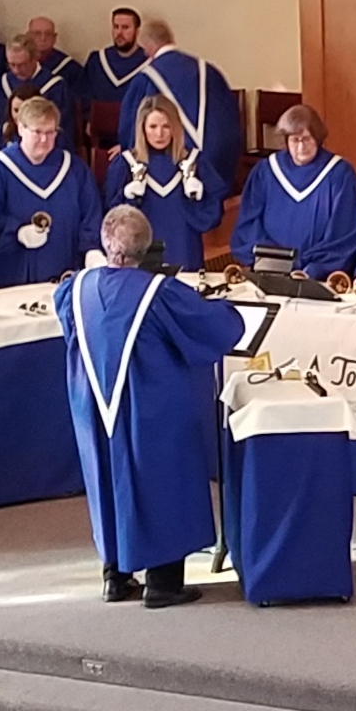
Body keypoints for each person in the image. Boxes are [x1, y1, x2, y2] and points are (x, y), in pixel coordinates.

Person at [54, 205, 244, 608]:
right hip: (150, 406)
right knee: (161, 479)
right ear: (147, 247)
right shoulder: (159, 293)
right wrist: (229, 307)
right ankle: (162, 583)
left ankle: (115, 576)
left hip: (93, 410)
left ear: (105, 243)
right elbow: (214, 328)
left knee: (109, 479)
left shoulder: (75, 289)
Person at [0, 96, 102, 287]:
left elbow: (91, 213)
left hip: (62, 269)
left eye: (50, 132)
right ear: (21, 128)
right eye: (37, 132)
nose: (44, 139)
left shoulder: (74, 169)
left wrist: (91, 249)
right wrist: (16, 233)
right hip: (10, 274)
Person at [230, 104, 356, 279]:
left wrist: (312, 269)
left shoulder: (340, 174)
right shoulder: (266, 171)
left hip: (320, 277)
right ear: (286, 141)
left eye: (307, 139)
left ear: (317, 138)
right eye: (295, 140)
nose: (301, 148)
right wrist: (273, 262)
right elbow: (248, 224)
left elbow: (345, 234)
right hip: (270, 273)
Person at [104, 94, 226, 271]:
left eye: (166, 126)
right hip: (140, 259)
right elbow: (111, 220)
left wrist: (198, 198)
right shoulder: (126, 164)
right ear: (142, 128)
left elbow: (211, 217)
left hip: (184, 251)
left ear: (175, 128)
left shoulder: (194, 162)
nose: (159, 134)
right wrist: (127, 199)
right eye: (153, 126)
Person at [120, 20, 243, 190]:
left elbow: (131, 129)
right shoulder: (208, 71)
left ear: (147, 46)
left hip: (173, 171)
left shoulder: (147, 77)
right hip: (219, 161)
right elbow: (230, 118)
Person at [0, 34, 78, 151]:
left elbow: (64, 127)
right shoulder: (2, 84)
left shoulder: (55, 86)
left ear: (35, 58)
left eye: (22, 65)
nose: (16, 70)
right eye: (12, 64)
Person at [84, 7, 147, 107]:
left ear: (137, 31)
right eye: (116, 27)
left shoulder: (149, 64)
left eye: (125, 27)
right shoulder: (97, 62)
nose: (119, 33)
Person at [27, 15, 83, 99]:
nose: (43, 38)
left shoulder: (71, 69)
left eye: (48, 34)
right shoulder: (20, 65)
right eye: (37, 33)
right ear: (28, 36)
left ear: (54, 38)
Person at [0, 82, 43, 152]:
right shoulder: (1, 133)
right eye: (16, 110)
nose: (19, 115)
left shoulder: (50, 135)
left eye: (25, 110)